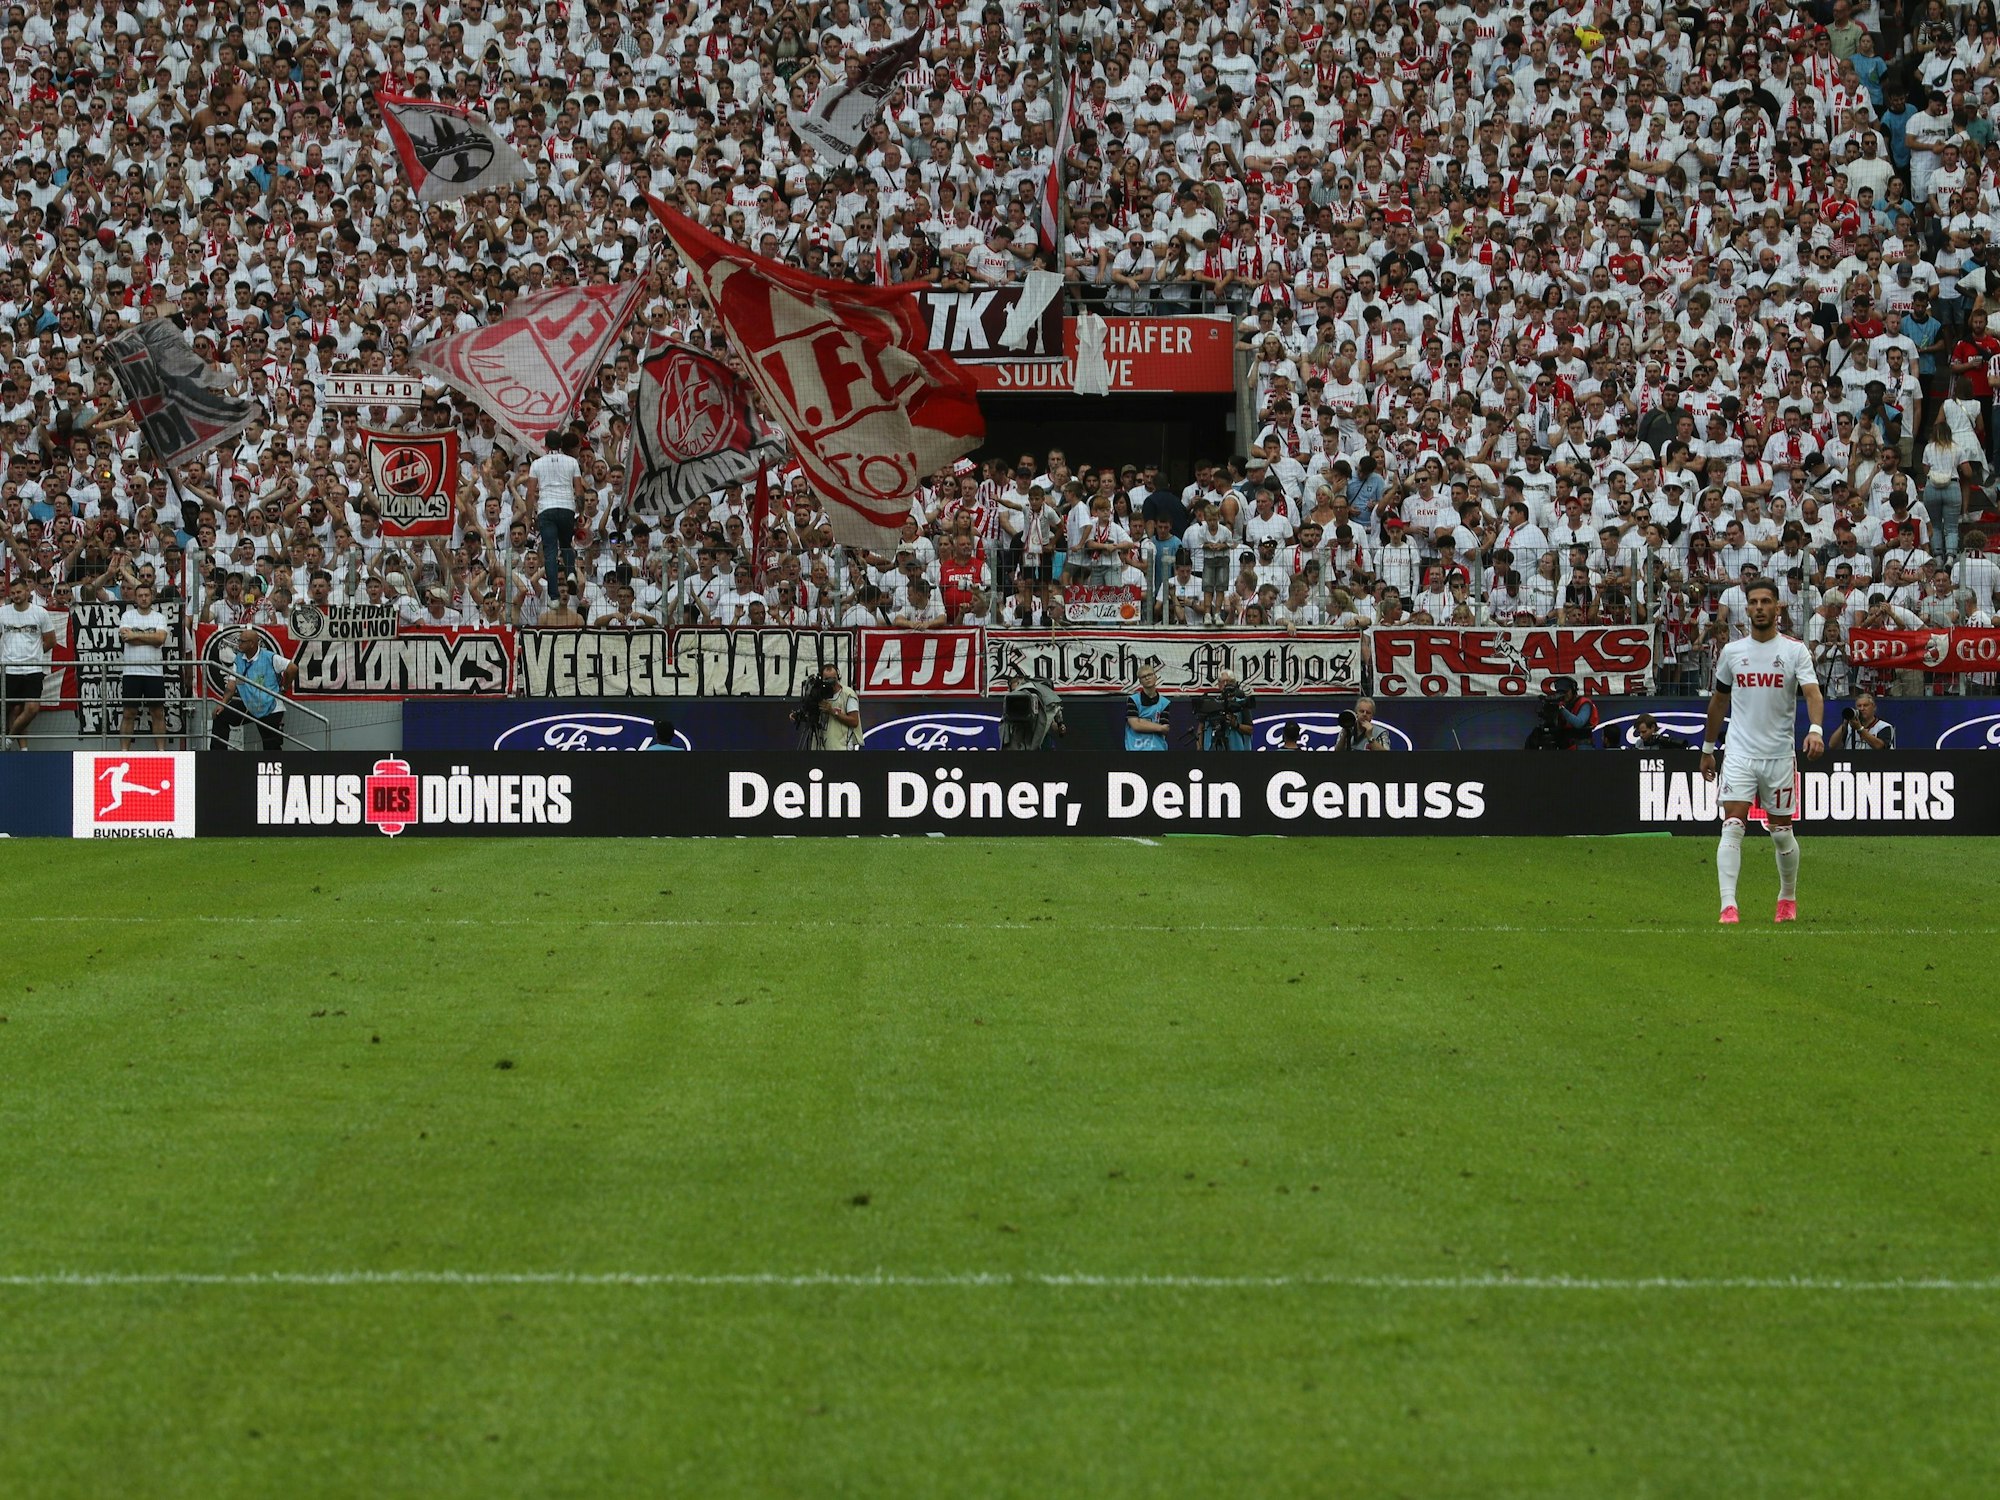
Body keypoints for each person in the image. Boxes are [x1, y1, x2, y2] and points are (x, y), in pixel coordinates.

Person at [1700, 578, 1827, 925]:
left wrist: (1815, 730)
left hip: (1779, 755)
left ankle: (1787, 896)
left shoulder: (1794, 651)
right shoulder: (1732, 653)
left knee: (1781, 830)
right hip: (1739, 752)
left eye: (1765, 601)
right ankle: (1729, 905)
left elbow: (1813, 694)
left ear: (1777, 607)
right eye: (1753, 602)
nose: (1758, 607)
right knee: (1732, 826)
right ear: (1747, 607)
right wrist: (1709, 749)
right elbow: (1719, 701)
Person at [209, 630, 295, 751]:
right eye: (239, 640)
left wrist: (285, 687)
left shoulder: (270, 657)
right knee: (220, 715)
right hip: (249, 704)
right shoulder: (238, 660)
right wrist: (223, 703)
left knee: (271, 745)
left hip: (270, 706)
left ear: (252, 644)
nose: (239, 644)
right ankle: (217, 757)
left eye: (242, 641)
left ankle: (271, 766)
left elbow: (292, 668)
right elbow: (231, 685)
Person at [2, 575, 56, 750]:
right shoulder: (2, 612)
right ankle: (23, 750)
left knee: (32, 709)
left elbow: (50, 640)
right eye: (13, 593)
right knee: (14, 711)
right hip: (9, 670)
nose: (16, 595)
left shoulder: (40, 612)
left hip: (33, 669)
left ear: (27, 591)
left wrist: (34, 655)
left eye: (19, 592)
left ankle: (7, 740)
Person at [117, 580, 172, 751]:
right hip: (131, 672)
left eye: (146, 595)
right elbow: (125, 638)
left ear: (152, 597)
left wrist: (135, 635)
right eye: (140, 595)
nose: (143, 598)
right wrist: (149, 637)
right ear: (135, 597)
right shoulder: (127, 616)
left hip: (154, 673)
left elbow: (160, 639)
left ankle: (161, 751)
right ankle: (124, 752)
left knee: (157, 713)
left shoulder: (159, 617)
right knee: (128, 713)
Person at [527, 431, 585, 593]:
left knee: (550, 551)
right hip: (567, 508)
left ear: (545, 446)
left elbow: (530, 493)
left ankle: (553, 594)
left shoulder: (537, 464)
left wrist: (528, 517)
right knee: (566, 545)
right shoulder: (572, 462)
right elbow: (579, 491)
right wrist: (580, 513)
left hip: (547, 509)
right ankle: (571, 573)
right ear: (561, 445)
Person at [816, 663, 862, 750]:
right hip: (822, 747)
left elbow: (854, 721)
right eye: (827, 679)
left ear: (838, 677)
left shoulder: (848, 694)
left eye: (833, 679)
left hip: (842, 748)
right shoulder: (819, 694)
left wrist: (832, 712)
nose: (830, 682)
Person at [1124, 666, 1171, 749]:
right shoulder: (1133, 700)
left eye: (1150, 675)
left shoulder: (1164, 703)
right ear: (1140, 681)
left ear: (1155, 677)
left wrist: (1141, 721)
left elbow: (1165, 729)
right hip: (1136, 749)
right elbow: (1135, 725)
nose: (1147, 678)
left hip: (1158, 749)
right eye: (1143, 676)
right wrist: (1158, 727)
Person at [1829, 693, 1896, 750]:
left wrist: (1860, 729)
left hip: (1876, 763)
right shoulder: (1849, 727)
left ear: (1874, 707)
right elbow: (1832, 746)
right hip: (1853, 762)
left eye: (1865, 705)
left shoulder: (1884, 727)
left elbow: (1880, 746)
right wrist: (1845, 724)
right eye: (1859, 706)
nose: (1862, 709)